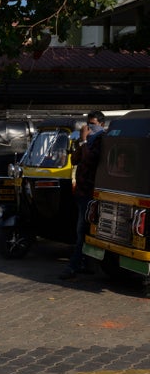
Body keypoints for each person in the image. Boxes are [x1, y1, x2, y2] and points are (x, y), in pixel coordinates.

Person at [60, 110, 106, 280]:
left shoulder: (101, 139)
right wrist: (81, 141)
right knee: (82, 230)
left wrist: (85, 140)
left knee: (82, 230)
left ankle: (74, 265)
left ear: (101, 124)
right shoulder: (88, 141)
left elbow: (90, 160)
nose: (90, 127)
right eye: (89, 124)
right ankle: (86, 263)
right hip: (82, 191)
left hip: (91, 192)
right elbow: (76, 160)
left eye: (93, 124)